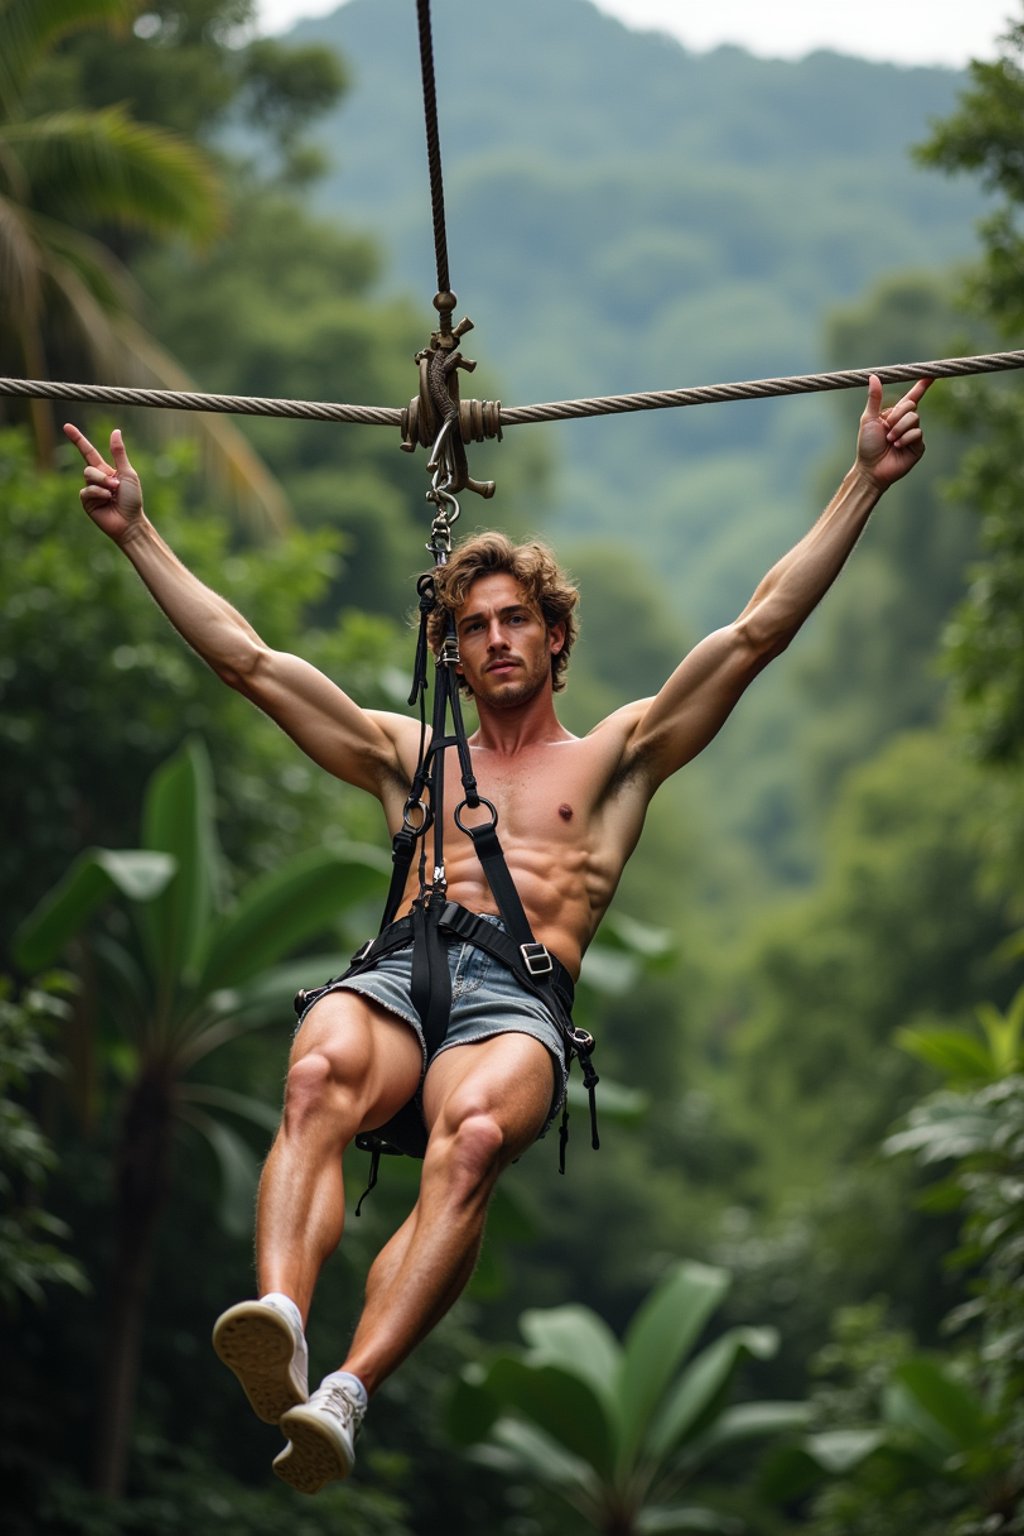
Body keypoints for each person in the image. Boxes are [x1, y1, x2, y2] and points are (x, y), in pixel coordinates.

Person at [64, 374, 929, 1493]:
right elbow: (251, 661)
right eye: (472, 628)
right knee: (318, 1068)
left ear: (555, 634)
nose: (496, 638)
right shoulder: (409, 755)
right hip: (401, 973)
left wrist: (861, 481)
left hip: (513, 1002)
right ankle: (279, 1314)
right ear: (451, 654)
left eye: (516, 618)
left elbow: (756, 629)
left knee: (469, 1142)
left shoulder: (618, 757)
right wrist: (139, 535)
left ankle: (346, 1394)